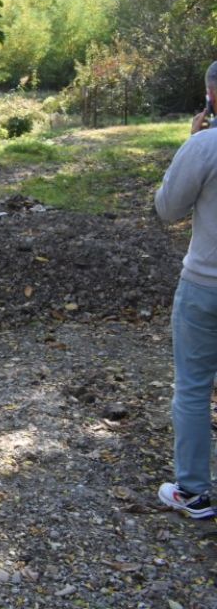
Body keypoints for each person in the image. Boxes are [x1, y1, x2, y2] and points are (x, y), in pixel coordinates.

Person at [155, 60, 217, 519]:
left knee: (194, 389)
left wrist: (190, 141)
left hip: (205, 285)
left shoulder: (204, 146)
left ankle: (193, 491)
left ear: (212, 96)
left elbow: (168, 208)